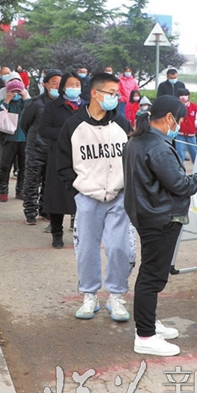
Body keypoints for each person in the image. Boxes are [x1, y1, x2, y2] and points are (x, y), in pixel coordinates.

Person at [123, 96, 197, 356]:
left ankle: (149, 324)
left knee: (150, 272)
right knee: (152, 276)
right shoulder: (159, 147)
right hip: (161, 217)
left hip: (146, 213)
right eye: (180, 120)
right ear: (169, 118)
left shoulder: (136, 141)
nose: (180, 125)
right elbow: (180, 185)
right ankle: (145, 335)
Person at [57, 73, 133, 320]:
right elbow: (62, 162)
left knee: (119, 247)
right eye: (111, 93)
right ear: (95, 93)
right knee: (87, 249)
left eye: (117, 94)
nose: (115, 98)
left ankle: (116, 295)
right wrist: (77, 189)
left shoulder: (121, 124)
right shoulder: (73, 126)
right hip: (87, 197)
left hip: (118, 196)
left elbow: (132, 157)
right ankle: (89, 295)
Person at [39, 72, 82, 248]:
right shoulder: (53, 107)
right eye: (70, 85)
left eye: (77, 85)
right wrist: (66, 133)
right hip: (59, 156)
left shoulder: (86, 106)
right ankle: (57, 233)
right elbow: (43, 130)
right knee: (57, 196)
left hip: (82, 158)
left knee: (81, 196)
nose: (74, 88)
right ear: (63, 87)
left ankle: (80, 232)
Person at [21, 69, 62, 225]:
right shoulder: (35, 103)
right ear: (46, 84)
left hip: (55, 149)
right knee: (32, 181)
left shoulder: (63, 104)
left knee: (50, 182)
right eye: (54, 83)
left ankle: (45, 210)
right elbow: (24, 124)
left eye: (60, 84)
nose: (57, 87)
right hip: (36, 148)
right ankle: (30, 211)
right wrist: (35, 139)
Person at [0, 77, 28, 202]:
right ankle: (3, 191)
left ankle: (21, 190)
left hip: (24, 139)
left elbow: (33, 113)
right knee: (4, 166)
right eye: (13, 91)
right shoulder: (4, 103)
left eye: (18, 91)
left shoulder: (25, 103)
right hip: (8, 139)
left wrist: (25, 98)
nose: (16, 94)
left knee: (24, 167)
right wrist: (7, 101)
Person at [176, 88, 197, 163]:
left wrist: (196, 125)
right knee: (180, 152)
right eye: (181, 95)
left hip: (191, 134)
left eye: (185, 95)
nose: (183, 97)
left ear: (189, 96)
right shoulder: (176, 107)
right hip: (180, 134)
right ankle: (180, 168)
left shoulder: (194, 107)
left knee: (194, 152)